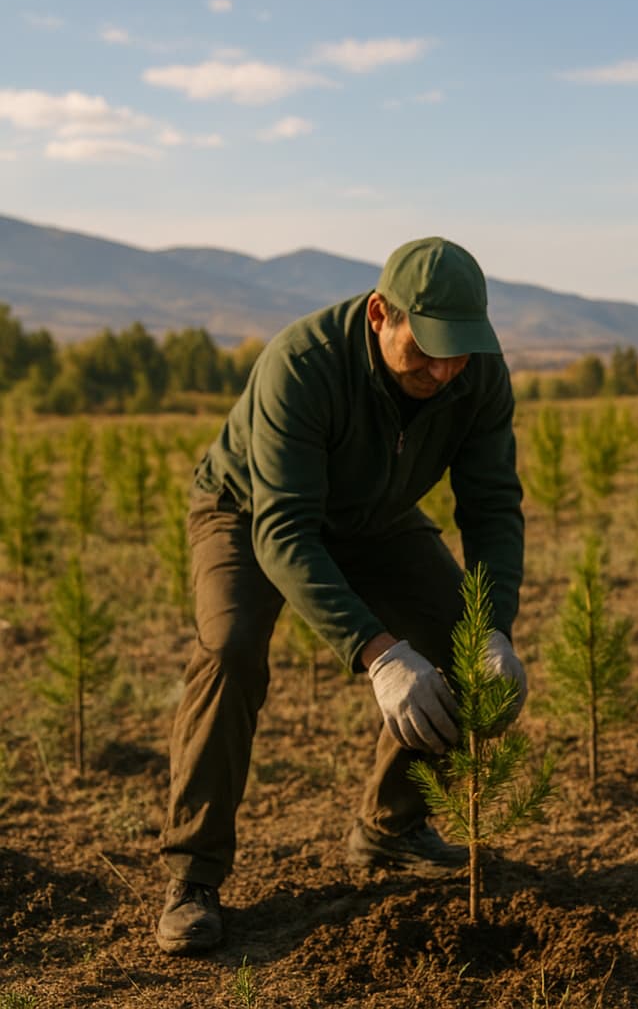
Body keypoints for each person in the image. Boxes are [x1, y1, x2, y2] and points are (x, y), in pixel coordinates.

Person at [155, 237, 528, 955]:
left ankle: (391, 828)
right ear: (381, 314)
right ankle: (192, 875)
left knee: (461, 638)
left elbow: (492, 506)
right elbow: (285, 531)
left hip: (374, 516)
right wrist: (379, 653)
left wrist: (494, 630)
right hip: (249, 511)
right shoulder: (303, 366)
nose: (443, 369)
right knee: (230, 650)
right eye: (426, 349)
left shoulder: (475, 374)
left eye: (459, 352)